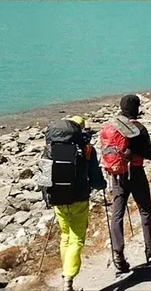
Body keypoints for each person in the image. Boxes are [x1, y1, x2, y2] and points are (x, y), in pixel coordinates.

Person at [40, 116, 106, 291]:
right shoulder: (87, 149)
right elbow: (95, 178)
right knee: (76, 239)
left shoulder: (49, 149)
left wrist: (47, 198)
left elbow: (44, 178)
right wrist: (102, 185)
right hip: (79, 199)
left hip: (58, 200)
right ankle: (68, 279)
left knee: (65, 236)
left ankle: (65, 272)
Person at [106, 95, 151, 273]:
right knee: (145, 209)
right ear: (136, 108)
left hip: (118, 175)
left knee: (117, 214)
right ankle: (150, 247)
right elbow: (147, 153)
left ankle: (118, 252)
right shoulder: (139, 128)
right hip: (136, 172)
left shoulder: (113, 126)